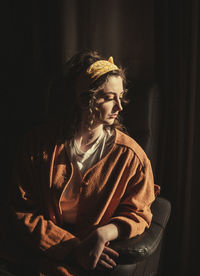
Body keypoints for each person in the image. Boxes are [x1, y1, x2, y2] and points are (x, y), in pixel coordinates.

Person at [0, 51, 160, 276]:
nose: (120, 107)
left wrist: (105, 233)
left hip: (93, 257)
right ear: (85, 99)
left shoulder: (131, 157)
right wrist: (71, 247)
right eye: (109, 97)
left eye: (121, 96)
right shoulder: (36, 146)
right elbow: (21, 211)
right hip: (38, 250)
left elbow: (140, 213)